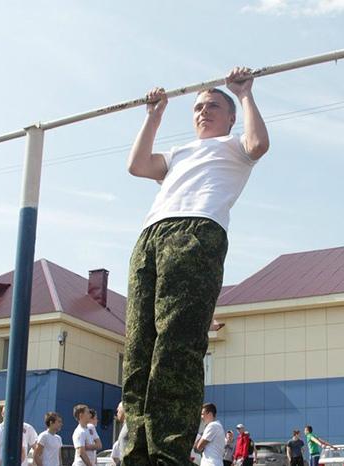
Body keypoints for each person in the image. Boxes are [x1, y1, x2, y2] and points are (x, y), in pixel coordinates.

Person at [122, 66, 270, 466]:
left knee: (177, 346)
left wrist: (243, 93)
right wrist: (154, 114)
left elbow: (259, 144)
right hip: (151, 234)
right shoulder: (179, 153)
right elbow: (137, 164)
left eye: (212, 106)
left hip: (197, 232)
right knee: (139, 347)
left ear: (229, 116)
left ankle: (168, 453)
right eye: (198, 107)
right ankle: (136, 453)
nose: (203, 112)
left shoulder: (235, 145)